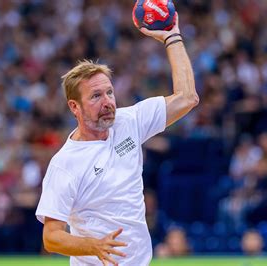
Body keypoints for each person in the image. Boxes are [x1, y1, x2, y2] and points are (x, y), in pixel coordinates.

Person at [35, 13, 198, 266]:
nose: (108, 102)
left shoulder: (128, 121)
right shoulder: (65, 164)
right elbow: (51, 237)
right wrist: (94, 246)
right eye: (96, 96)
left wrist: (172, 37)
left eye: (109, 92)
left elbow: (187, 98)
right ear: (74, 107)